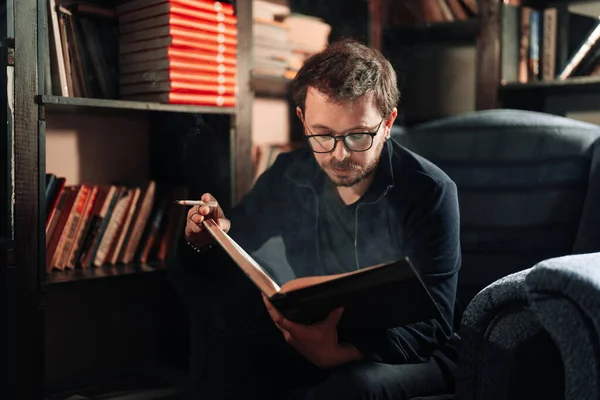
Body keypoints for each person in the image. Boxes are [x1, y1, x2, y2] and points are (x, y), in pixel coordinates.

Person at [170, 38, 461, 400]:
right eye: (322, 135)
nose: (339, 155)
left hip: (405, 355)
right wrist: (203, 239)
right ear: (302, 119)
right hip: (316, 339)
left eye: (358, 136)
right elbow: (233, 255)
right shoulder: (291, 173)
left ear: (388, 122)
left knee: (353, 388)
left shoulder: (430, 191)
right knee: (230, 353)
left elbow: (434, 323)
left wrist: (339, 353)